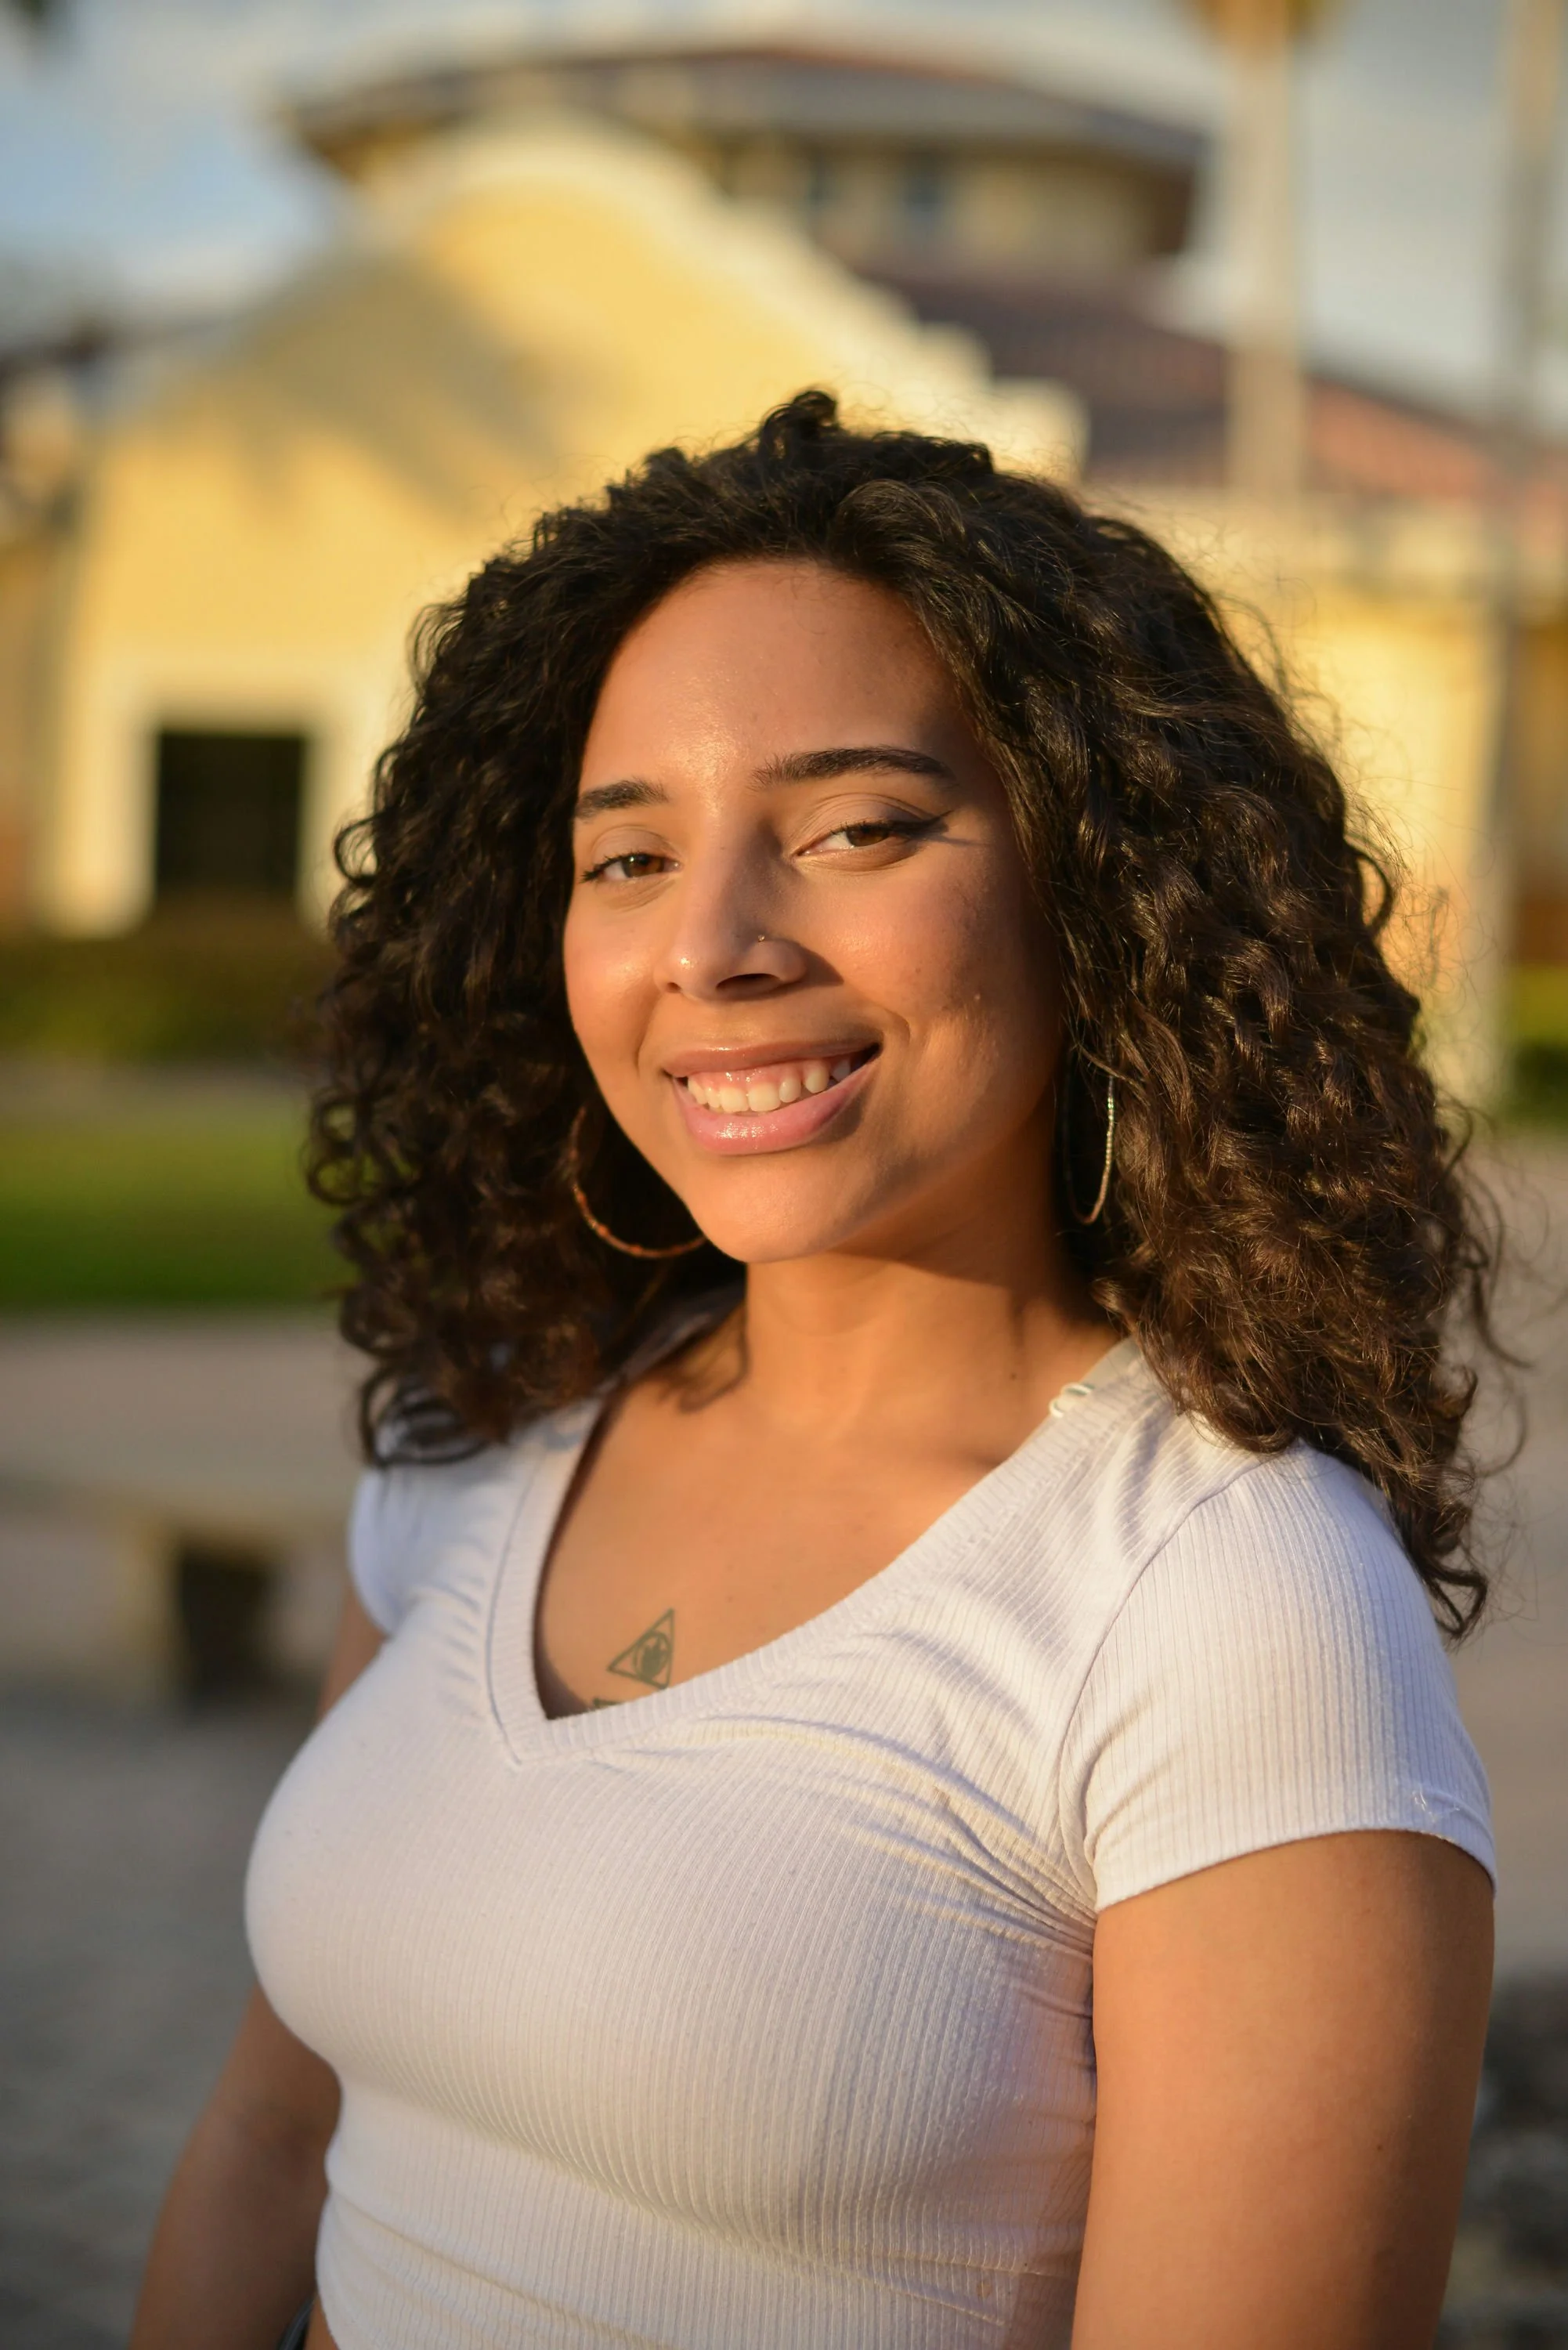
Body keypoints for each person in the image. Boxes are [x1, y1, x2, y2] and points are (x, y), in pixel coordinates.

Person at [130, 392, 1498, 2350]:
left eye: (856, 829)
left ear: (1092, 893)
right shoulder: (481, 1444)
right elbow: (278, 2132)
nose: (712, 946)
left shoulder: (1226, 1607)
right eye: (625, 857)